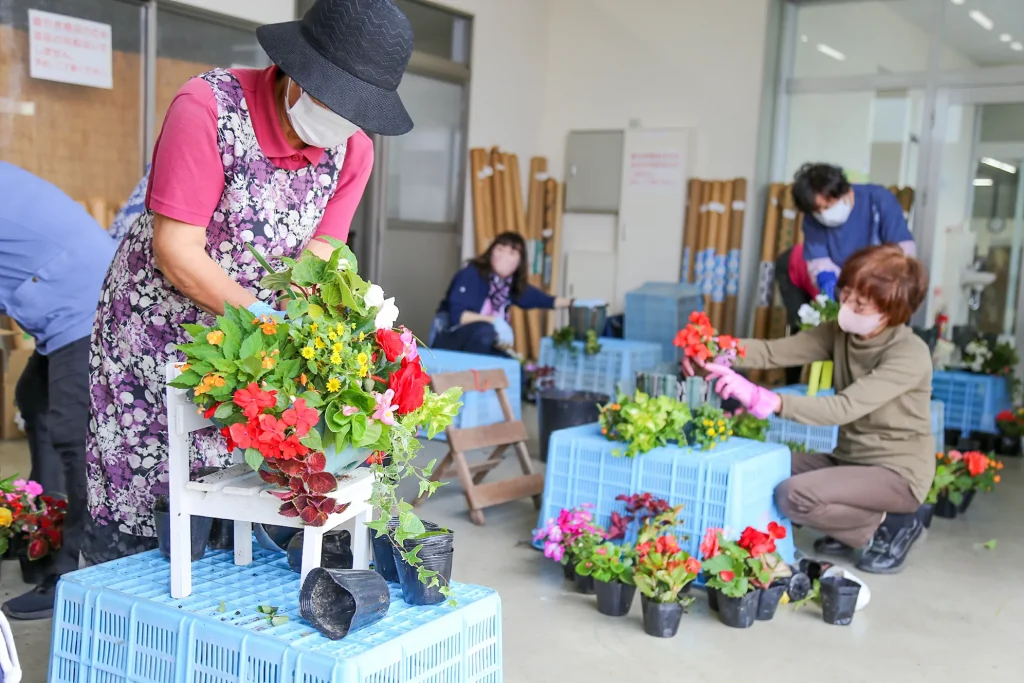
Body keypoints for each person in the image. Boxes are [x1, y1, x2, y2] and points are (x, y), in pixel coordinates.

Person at [84, 0, 414, 575]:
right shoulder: (208, 107)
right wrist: (267, 317)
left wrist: (313, 334)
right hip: (157, 334)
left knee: (232, 502)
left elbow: (319, 259)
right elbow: (177, 251)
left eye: (357, 110)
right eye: (334, 99)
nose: (341, 120)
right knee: (146, 497)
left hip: (250, 352)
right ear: (296, 74)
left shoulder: (353, 149)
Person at [692, 245, 933, 575]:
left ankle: (889, 523)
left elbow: (843, 408)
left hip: (896, 473)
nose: (847, 305)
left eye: (860, 303)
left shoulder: (909, 354)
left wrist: (767, 399)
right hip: (849, 458)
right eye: (846, 293)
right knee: (764, 465)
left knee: (792, 496)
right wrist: (711, 350)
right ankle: (853, 523)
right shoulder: (840, 331)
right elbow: (775, 352)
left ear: (891, 311)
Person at [0, 162, 116, 619]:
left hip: (83, 303)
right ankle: (41, 535)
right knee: (36, 400)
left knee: (73, 432)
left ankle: (74, 573)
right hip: (65, 298)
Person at [432, 232, 573, 355]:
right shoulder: (471, 274)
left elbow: (545, 300)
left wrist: (573, 303)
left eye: (512, 253)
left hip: (479, 344)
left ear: (519, 262)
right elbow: (459, 316)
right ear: (491, 252)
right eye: (500, 249)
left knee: (515, 370)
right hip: (449, 340)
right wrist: (495, 321)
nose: (504, 256)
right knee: (485, 331)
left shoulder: (508, 286)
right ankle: (470, 380)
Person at [791, 163, 915, 301]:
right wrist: (828, 282)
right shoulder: (811, 219)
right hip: (844, 285)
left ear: (847, 192)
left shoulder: (878, 200)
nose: (824, 214)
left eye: (828, 206)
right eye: (818, 211)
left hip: (884, 284)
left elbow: (903, 251)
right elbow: (819, 261)